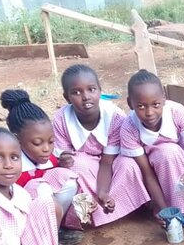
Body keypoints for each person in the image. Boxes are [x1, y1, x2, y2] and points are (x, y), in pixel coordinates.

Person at [51, 64, 150, 227]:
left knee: (129, 165)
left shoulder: (115, 116)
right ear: (66, 97)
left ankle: (119, 204)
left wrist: (103, 192)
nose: (85, 97)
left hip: (111, 163)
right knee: (75, 166)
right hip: (86, 167)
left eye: (91, 89)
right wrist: (63, 159)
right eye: (76, 92)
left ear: (100, 90)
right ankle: (92, 209)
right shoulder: (61, 119)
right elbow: (62, 155)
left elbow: (107, 161)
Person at [119, 70, 184, 222]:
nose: (149, 112)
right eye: (141, 106)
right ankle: (170, 210)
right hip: (159, 175)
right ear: (130, 104)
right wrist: (163, 209)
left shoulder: (176, 112)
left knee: (169, 152)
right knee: (164, 153)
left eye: (155, 104)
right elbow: (147, 173)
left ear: (164, 98)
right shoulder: (129, 128)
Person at [0, 89, 83, 245]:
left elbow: (56, 177)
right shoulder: (9, 168)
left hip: (46, 213)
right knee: (42, 190)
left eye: (51, 141)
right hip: (21, 224)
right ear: (16, 140)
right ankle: (37, 240)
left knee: (68, 180)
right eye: (38, 143)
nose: (46, 148)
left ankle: (55, 231)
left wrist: (62, 164)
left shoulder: (48, 158)